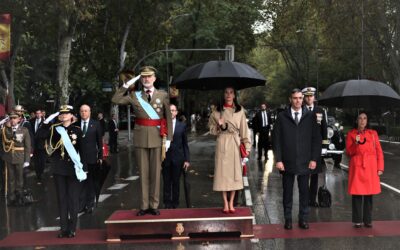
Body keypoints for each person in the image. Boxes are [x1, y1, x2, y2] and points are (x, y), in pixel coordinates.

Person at [112, 66, 172, 216]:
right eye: (143, 77)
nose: (146, 79)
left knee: (155, 174)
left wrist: (169, 138)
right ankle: (144, 206)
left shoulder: (163, 95)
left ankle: (154, 205)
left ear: (154, 79)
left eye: (149, 76)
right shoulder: (134, 95)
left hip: (157, 138)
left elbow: (168, 118)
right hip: (140, 138)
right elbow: (115, 99)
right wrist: (126, 84)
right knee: (143, 174)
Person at [272, 88, 321, 230]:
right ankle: (288, 219)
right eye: (295, 98)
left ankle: (303, 219)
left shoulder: (310, 116)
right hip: (287, 162)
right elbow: (277, 140)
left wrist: (314, 159)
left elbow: (316, 139)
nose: (298, 100)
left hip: (305, 161)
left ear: (303, 99)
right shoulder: (282, 117)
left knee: (304, 192)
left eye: (300, 98)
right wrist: (278, 159)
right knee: (287, 193)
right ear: (290, 99)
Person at [38, 105, 86, 238]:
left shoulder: (77, 130)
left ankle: (72, 228)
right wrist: (47, 121)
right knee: (61, 198)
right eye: (62, 114)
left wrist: (85, 168)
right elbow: (40, 136)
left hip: (73, 168)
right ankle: (63, 228)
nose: (64, 116)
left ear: (71, 116)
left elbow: (82, 150)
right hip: (59, 168)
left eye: (67, 113)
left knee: (72, 198)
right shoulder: (54, 129)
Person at [208, 87, 251, 214]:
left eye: (231, 92)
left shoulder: (240, 110)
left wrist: (247, 147)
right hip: (222, 142)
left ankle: (232, 202)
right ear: (223, 94)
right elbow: (211, 129)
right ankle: (225, 203)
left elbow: (244, 129)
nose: (228, 95)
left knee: (234, 174)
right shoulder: (216, 111)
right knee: (222, 174)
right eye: (226, 92)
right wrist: (218, 125)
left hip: (235, 143)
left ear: (234, 95)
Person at [346, 111, 384, 228]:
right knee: (357, 194)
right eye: (360, 118)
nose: (362, 121)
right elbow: (349, 152)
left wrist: (380, 167)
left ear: (367, 121)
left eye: (365, 118)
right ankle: (357, 220)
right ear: (356, 120)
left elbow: (379, 151)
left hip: (371, 167)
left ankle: (368, 220)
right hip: (357, 166)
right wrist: (356, 143)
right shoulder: (351, 134)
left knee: (369, 194)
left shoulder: (373, 134)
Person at [302, 87, 329, 207]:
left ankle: (312, 200)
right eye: (307, 96)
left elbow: (324, 128)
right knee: (304, 175)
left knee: (314, 175)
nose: (309, 98)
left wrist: (324, 146)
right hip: (303, 147)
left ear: (314, 97)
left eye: (311, 96)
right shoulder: (300, 110)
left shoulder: (320, 111)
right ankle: (305, 199)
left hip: (316, 148)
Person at [162, 104, 190, 209]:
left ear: (176, 112)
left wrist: (187, 159)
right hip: (165, 158)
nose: (172, 112)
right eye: (170, 110)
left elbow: (185, 144)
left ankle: (175, 204)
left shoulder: (181, 125)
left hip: (178, 159)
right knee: (166, 182)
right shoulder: (163, 124)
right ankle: (167, 204)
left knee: (176, 182)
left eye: (173, 110)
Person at [0, 112, 31, 205]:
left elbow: (27, 146)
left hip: (20, 157)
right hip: (9, 157)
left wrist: (27, 160)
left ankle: (20, 196)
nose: (13, 120)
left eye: (15, 118)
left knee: (19, 178)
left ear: (19, 119)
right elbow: (4, 139)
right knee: (11, 178)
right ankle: (12, 197)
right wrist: (5, 125)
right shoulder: (6, 130)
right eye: (11, 118)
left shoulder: (24, 130)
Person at [78, 104, 103, 214]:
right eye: (82, 111)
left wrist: (100, 157)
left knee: (91, 182)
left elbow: (99, 142)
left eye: (86, 111)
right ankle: (82, 205)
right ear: (80, 112)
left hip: (92, 158)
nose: (84, 113)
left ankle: (90, 204)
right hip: (79, 159)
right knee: (81, 182)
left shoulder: (95, 124)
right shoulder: (76, 125)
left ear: (90, 112)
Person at [29, 109, 46, 184]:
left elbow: (47, 133)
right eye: (37, 113)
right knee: (35, 160)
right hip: (34, 144)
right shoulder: (32, 121)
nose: (38, 115)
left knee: (41, 160)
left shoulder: (45, 122)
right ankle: (38, 174)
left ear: (42, 114)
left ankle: (41, 173)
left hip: (42, 144)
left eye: (39, 113)